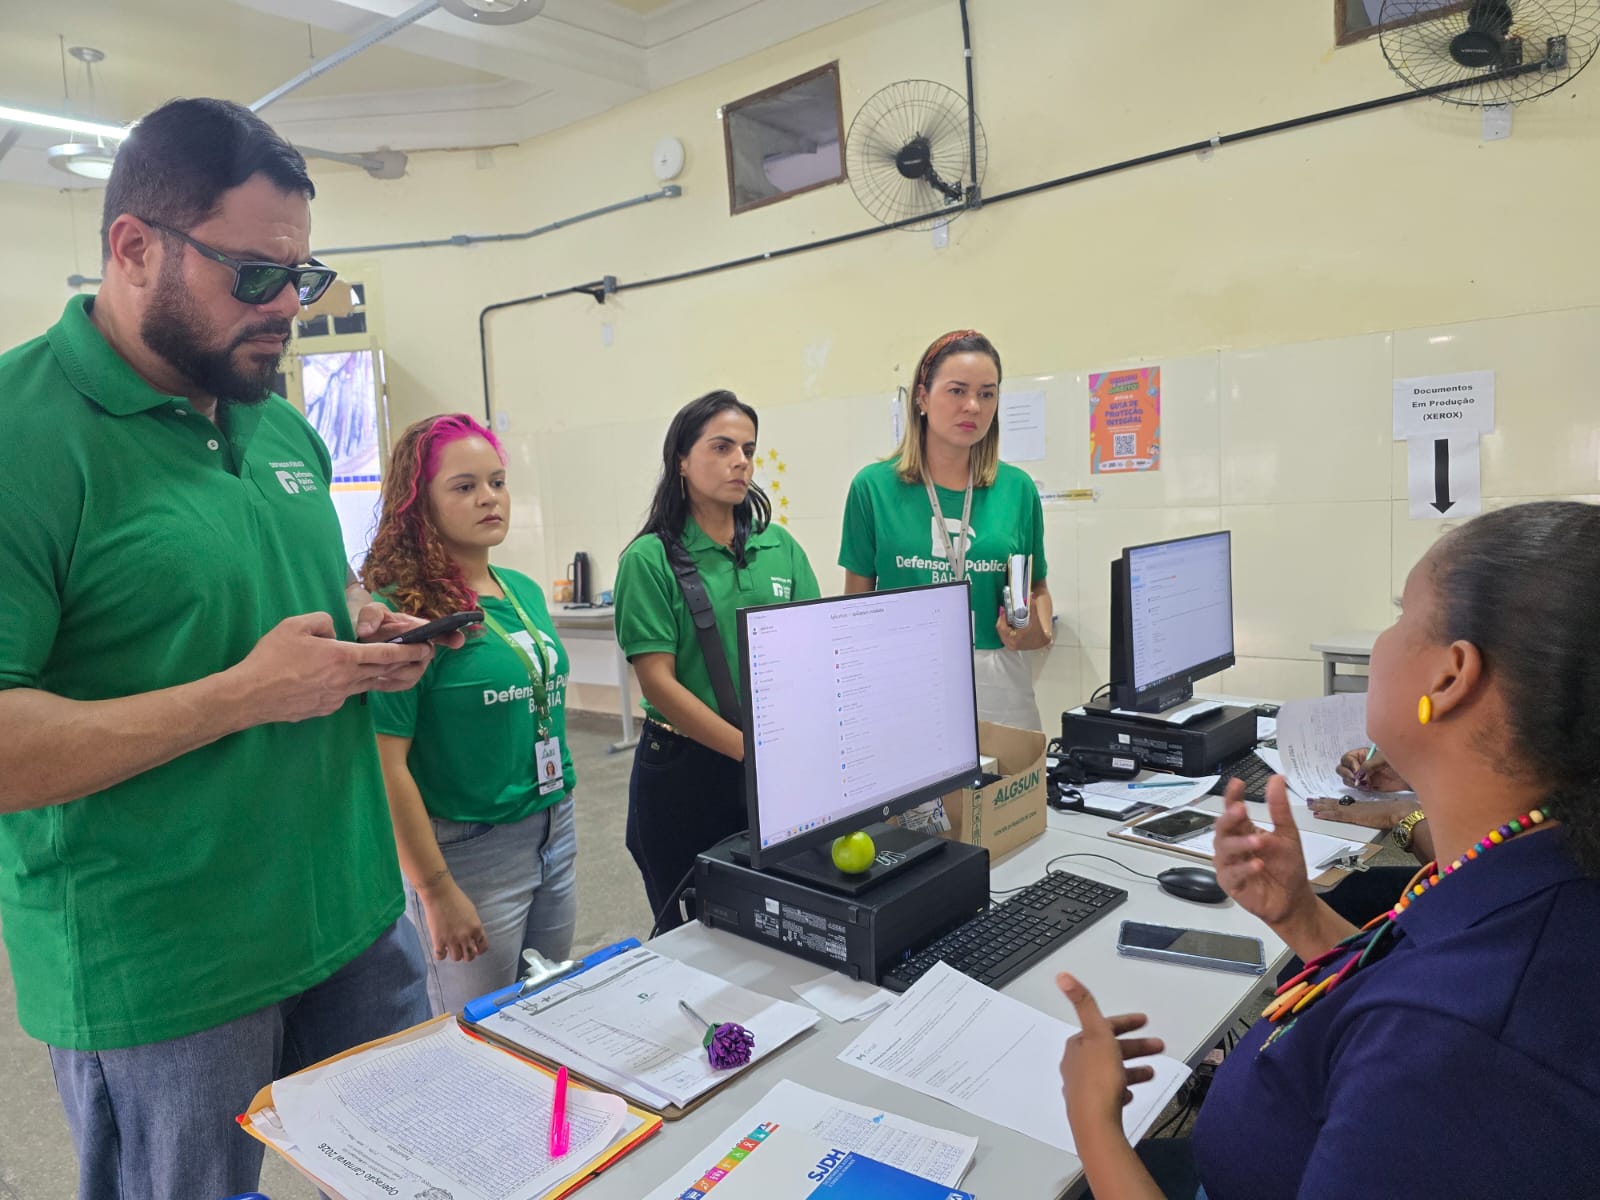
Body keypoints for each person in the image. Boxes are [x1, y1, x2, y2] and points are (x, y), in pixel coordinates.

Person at [0, 98, 455, 1200]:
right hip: (166, 972)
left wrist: (367, 626)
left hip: (350, 918)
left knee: (419, 1176)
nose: (283, 311)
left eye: (299, 279)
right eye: (252, 275)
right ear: (132, 247)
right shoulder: (23, 437)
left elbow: (312, 586)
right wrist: (241, 697)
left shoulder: (276, 419)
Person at [1056, 501, 1600, 1198]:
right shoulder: (1535, 867)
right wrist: (1302, 918)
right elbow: (1414, 980)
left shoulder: (1461, 1052)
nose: (1384, 640)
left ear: (1451, 676)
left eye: (1403, 617)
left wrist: (1095, 1122)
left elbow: (1430, 1023)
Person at [362, 413, 579, 1017]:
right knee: (476, 1036)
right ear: (419, 504)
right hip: (468, 849)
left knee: (549, 1009)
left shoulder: (521, 591)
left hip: (551, 826)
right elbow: (386, 766)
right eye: (464, 487)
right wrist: (435, 891)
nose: (489, 498)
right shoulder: (402, 616)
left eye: (498, 481)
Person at [614, 390, 819, 928]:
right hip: (686, 773)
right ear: (681, 459)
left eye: (748, 450)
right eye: (722, 447)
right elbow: (658, 684)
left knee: (777, 921)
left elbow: (811, 650)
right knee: (695, 930)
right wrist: (750, 752)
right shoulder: (649, 559)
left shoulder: (781, 548)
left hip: (772, 760)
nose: (740, 462)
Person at [839, 329, 1052, 731]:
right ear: (922, 397)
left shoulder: (1018, 489)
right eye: (957, 391)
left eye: (987, 394)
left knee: (1005, 791)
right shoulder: (873, 488)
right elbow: (856, 607)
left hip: (999, 678)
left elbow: (1037, 590)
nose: (972, 406)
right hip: (903, 677)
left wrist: (1032, 634)